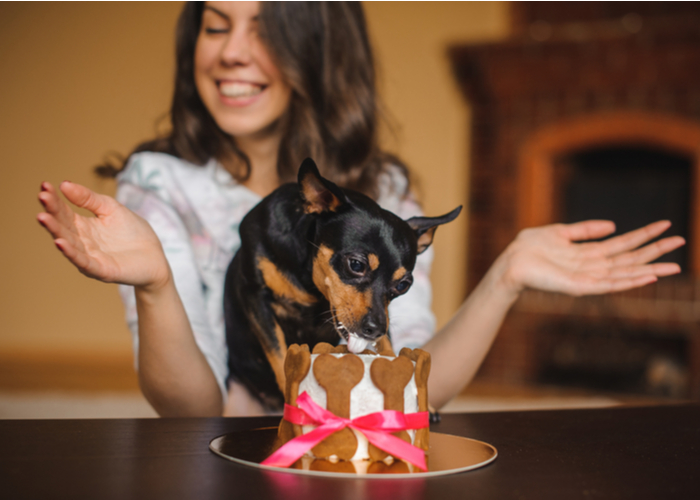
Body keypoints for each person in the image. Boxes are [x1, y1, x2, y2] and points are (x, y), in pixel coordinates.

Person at [37, 2, 684, 417]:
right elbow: (194, 412)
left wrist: (505, 277)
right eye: (215, 25)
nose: (232, 51)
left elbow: (409, 387)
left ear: (316, 47)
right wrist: (154, 286)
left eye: (266, 28)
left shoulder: (385, 190)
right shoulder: (158, 184)